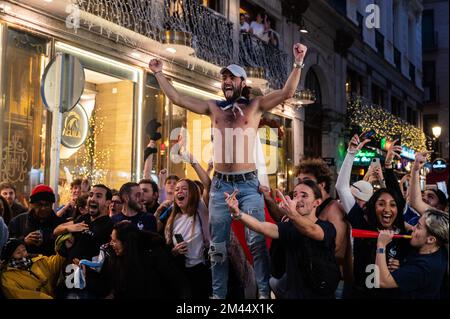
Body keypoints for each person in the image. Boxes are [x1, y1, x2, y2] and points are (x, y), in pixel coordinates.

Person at [149, 41, 307, 299]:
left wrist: (298, 62)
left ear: (242, 82)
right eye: (223, 78)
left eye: (231, 77)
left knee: (257, 243)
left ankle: (264, 295)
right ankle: (218, 297)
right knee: (217, 246)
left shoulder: (255, 106)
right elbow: (177, 97)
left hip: (248, 185)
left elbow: (288, 92)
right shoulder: (213, 108)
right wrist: (158, 73)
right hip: (220, 186)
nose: (226, 82)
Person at [226, 180, 340, 299]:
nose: (297, 199)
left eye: (304, 195)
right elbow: (261, 227)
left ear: (317, 202)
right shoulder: (288, 227)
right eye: (295, 195)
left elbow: (310, 230)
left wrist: (292, 215)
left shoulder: (327, 227)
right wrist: (238, 213)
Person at [336, 134, 410, 298]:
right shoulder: (362, 223)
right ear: (372, 207)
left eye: (392, 205)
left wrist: (403, 265)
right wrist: (350, 153)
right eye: (381, 204)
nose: (387, 210)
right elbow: (341, 188)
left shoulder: (404, 233)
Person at [86, 221, 191, 299]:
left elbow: (177, 281)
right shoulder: (117, 258)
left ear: (126, 242)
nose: (111, 244)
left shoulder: (153, 253)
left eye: (114, 241)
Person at [54, 184, 114, 298]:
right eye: (91, 195)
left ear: (108, 203)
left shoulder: (110, 226)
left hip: (90, 286)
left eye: (98, 196)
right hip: (69, 280)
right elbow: (56, 230)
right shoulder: (83, 219)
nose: (92, 198)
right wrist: (69, 228)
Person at [376, 209, 448, 299]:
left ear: (431, 239)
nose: (413, 228)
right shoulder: (438, 247)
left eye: (418, 226)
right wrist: (404, 267)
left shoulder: (423, 269)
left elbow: (382, 281)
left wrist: (381, 245)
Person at [165, 179, 211, 298]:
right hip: (182, 272)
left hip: (202, 271)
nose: (179, 191)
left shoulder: (201, 210)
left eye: (184, 189)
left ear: (194, 194)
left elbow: (208, 184)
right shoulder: (172, 220)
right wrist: (175, 251)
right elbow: (168, 250)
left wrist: (193, 163)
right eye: (176, 189)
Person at [0, 237, 71, 299]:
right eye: (18, 253)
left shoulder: (38, 261)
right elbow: (21, 296)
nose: (23, 254)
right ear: (10, 257)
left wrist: (64, 248)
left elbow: (55, 263)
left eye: (24, 250)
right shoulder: (7, 278)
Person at [8, 185, 63, 256]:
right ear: (32, 205)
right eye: (39, 205)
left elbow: (63, 249)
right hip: (23, 264)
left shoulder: (59, 223)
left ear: (52, 204)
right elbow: (8, 246)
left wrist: (47, 238)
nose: (43, 208)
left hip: (51, 265)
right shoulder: (17, 221)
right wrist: (24, 241)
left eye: (47, 205)